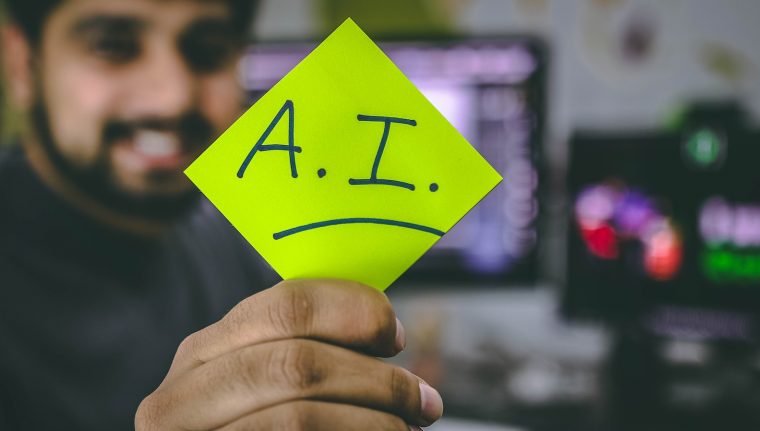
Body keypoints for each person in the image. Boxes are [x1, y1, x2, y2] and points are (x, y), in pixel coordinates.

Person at [0, 0, 443, 429]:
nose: (172, 97)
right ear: (23, 63)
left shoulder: (238, 245)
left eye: (208, 50)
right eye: (113, 46)